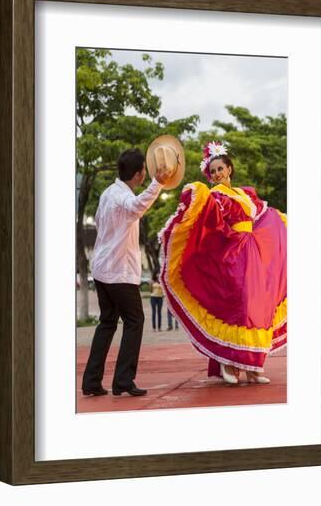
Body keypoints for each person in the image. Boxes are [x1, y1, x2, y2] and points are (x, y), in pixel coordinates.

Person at [159, 141, 287, 384]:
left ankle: (253, 367)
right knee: (236, 307)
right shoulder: (216, 196)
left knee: (255, 308)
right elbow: (212, 218)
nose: (217, 174)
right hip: (231, 253)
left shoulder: (245, 193)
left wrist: (280, 224)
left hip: (253, 253)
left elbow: (262, 215)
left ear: (229, 169)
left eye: (220, 169)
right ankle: (228, 363)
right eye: (213, 171)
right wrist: (198, 192)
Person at [81, 148, 170, 397]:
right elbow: (136, 206)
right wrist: (158, 184)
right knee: (135, 321)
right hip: (118, 271)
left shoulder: (108, 193)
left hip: (101, 269)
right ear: (139, 174)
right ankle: (123, 381)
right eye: (145, 170)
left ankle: (91, 382)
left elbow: (101, 221)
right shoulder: (123, 198)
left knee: (107, 323)